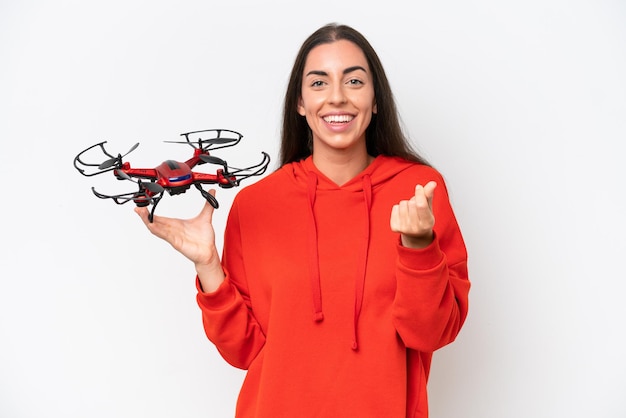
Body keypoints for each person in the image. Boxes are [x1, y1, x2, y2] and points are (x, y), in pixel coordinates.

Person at [136, 22, 470, 418]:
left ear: (376, 98)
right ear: (300, 103)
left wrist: (419, 246)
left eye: (355, 81)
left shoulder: (418, 191)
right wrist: (208, 264)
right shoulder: (256, 204)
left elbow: (431, 332)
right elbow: (244, 351)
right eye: (318, 83)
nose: (337, 98)